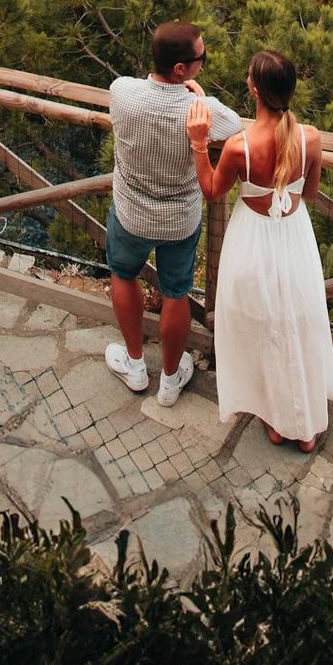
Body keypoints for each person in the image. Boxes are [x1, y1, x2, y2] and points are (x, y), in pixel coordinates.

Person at [186, 49, 333, 451]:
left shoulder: (239, 147)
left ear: (253, 89)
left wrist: (200, 144)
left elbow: (211, 189)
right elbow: (308, 192)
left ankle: (278, 419)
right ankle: (305, 424)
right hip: (294, 235)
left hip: (254, 238)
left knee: (265, 324)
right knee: (298, 321)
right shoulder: (310, 138)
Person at [106, 20, 240, 408]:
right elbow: (233, 124)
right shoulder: (201, 110)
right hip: (179, 220)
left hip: (130, 211)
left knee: (123, 275)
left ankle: (134, 365)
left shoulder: (122, 93)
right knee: (176, 293)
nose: (205, 61)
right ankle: (169, 380)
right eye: (202, 57)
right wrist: (198, 95)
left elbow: (125, 90)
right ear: (181, 69)